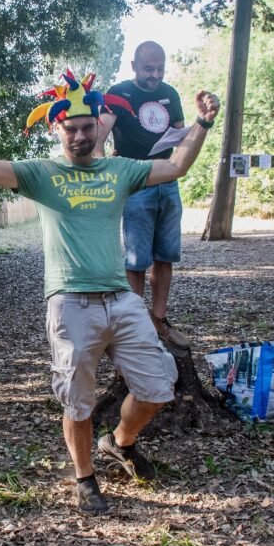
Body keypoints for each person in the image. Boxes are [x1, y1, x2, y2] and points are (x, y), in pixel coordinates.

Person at [0, 72, 220, 514]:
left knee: (160, 386)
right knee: (78, 400)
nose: (80, 135)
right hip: (70, 302)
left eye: (87, 127)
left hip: (121, 299)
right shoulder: (40, 174)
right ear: (56, 129)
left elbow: (176, 166)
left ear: (101, 125)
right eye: (71, 128)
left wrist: (203, 123)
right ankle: (85, 478)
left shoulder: (120, 170)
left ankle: (120, 442)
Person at [95, 41, 190, 350]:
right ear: (134, 65)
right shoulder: (119, 93)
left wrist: (186, 146)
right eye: (149, 68)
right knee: (136, 260)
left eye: (160, 68)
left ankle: (159, 321)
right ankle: (137, 325)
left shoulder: (170, 94)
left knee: (166, 255)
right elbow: (99, 138)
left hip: (168, 181)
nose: (155, 74)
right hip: (134, 184)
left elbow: (181, 134)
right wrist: (104, 173)